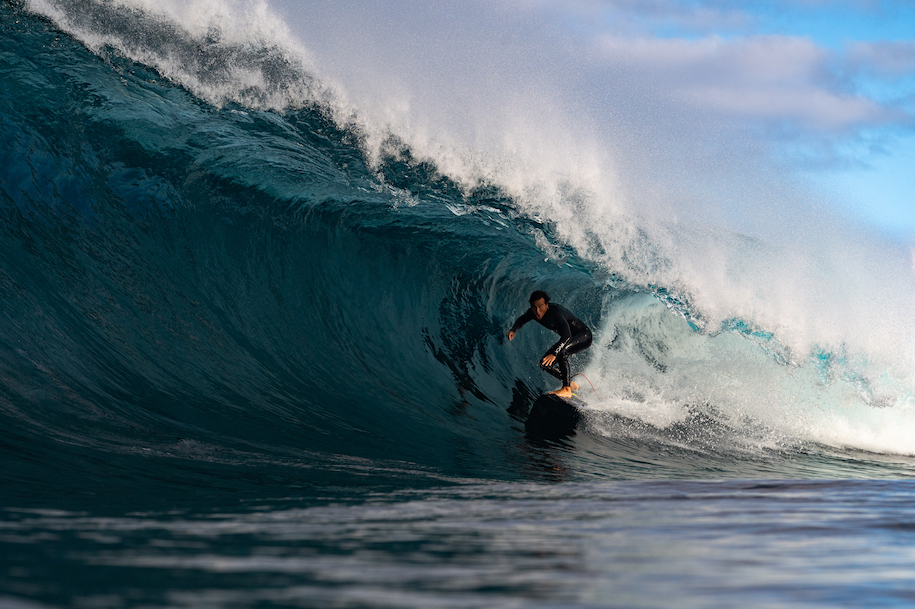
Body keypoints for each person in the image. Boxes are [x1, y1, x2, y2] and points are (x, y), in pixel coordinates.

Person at [506, 290, 592, 399]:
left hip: (584, 336)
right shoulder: (533, 312)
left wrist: (554, 353)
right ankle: (571, 383)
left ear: (546, 305)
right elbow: (523, 319)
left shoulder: (555, 313)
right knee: (545, 364)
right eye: (534, 307)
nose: (537, 311)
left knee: (562, 353)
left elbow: (567, 336)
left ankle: (566, 389)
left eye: (541, 307)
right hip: (569, 338)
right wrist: (513, 330)